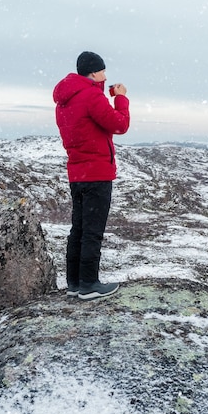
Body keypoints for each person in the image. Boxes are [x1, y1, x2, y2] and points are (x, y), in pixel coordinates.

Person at [53, 51, 130, 300]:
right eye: (103, 72)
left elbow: (87, 123)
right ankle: (89, 284)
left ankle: (74, 283)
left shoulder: (65, 100)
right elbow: (119, 125)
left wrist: (103, 95)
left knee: (79, 229)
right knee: (92, 231)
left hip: (77, 173)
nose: (106, 76)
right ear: (94, 72)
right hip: (97, 173)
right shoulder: (90, 96)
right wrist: (121, 99)